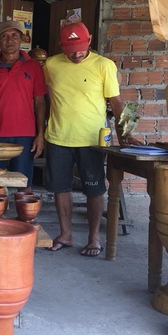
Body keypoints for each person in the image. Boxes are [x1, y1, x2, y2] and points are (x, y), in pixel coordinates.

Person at [44, 22, 141, 256]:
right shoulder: (50, 64)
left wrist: (126, 132)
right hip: (58, 137)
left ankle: (93, 238)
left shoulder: (104, 65)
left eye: (80, 47)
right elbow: (48, 98)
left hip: (93, 140)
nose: (77, 54)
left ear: (89, 42)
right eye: (70, 49)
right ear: (61, 46)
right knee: (60, 188)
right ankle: (65, 234)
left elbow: (117, 102)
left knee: (94, 189)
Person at [0, 20, 47, 191]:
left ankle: (23, 218)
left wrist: (40, 134)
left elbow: (40, 102)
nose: (10, 40)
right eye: (5, 36)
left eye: (14, 35)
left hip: (24, 136)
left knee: (24, 185)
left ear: (22, 39)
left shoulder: (33, 66)